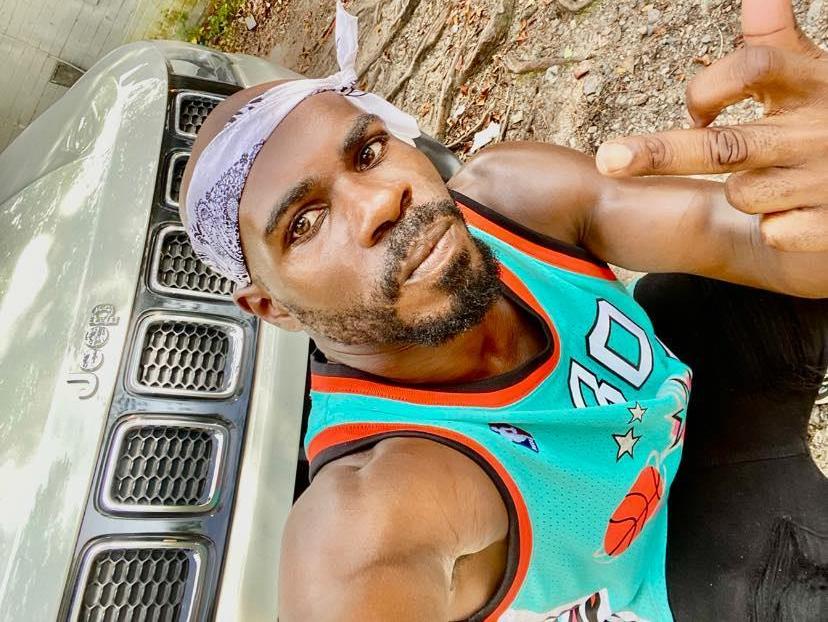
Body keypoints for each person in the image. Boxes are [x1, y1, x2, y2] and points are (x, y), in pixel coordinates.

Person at [180, 0, 827, 619]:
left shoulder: (509, 194)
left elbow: (762, 244)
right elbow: (353, 576)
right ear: (272, 306)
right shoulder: (380, 487)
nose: (379, 202)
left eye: (368, 153)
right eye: (305, 222)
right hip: (668, 574)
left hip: (692, 397)